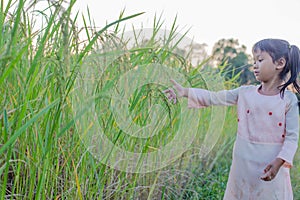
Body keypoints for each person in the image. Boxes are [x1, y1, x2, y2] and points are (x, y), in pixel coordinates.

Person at [164, 39, 300, 199]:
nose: (254, 65)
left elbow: (292, 137)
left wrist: (279, 162)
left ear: (280, 63)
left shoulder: (289, 100)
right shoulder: (244, 93)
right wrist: (186, 92)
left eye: (260, 60)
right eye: (253, 60)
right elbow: (214, 97)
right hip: (243, 164)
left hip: (271, 166)